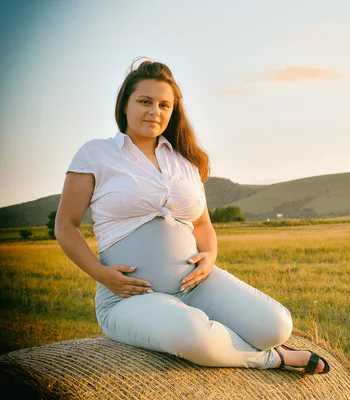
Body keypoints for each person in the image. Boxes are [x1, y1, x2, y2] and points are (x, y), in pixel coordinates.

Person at [55, 59, 329, 375]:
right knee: (194, 335)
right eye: (144, 101)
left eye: (163, 104)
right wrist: (101, 275)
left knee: (276, 326)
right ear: (125, 105)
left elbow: (202, 224)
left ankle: (269, 345)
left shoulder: (185, 160)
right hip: (128, 297)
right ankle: (273, 359)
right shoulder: (96, 154)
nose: (154, 111)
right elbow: (66, 225)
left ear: (173, 111)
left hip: (195, 286)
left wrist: (210, 257)